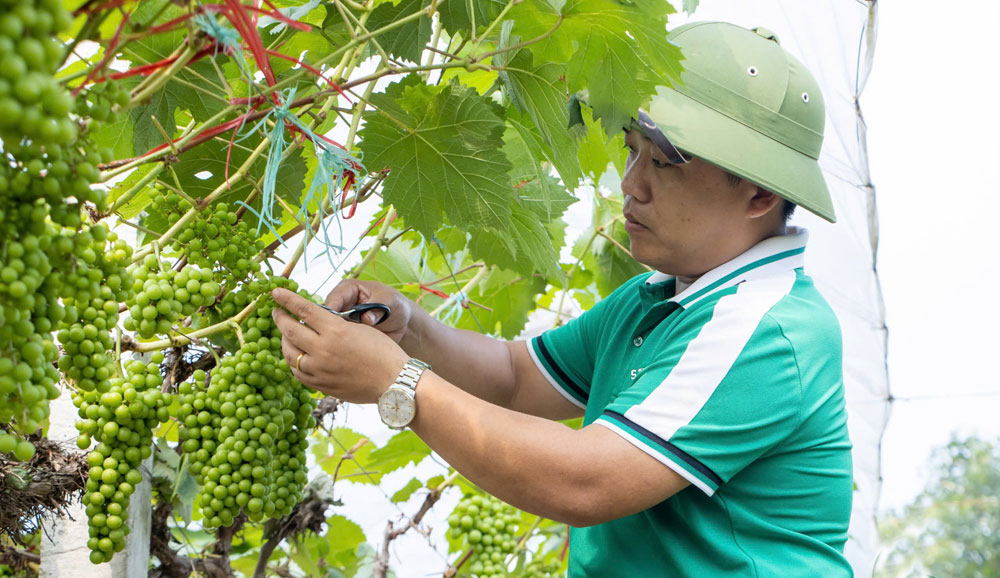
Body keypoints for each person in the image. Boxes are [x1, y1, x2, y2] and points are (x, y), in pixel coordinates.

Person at [272, 21, 854, 577]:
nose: (630, 184)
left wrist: (396, 383)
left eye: (663, 162)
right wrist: (409, 330)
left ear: (756, 195)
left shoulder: (765, 326)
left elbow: (587, 482)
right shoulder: (654, 298)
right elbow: (515, 376)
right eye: (631, 151)